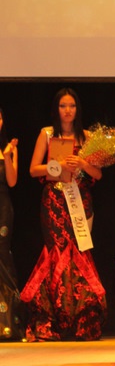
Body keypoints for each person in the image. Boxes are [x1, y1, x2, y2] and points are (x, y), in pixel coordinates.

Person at [20, 88, 107, 341]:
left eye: (72, 106)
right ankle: (50, 319)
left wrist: (82, 163)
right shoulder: (47, 134)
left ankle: (82, 319)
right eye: (62, 106)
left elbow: (98, 174)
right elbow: (33, 170)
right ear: (56, 109)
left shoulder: (87, 137)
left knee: (79, 252)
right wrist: (55, 165)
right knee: (56, 252)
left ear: (78, 109)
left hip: (80, 201)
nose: (67, 110)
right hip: (54, 202)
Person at [0, 108, 24, 341]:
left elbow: (12, 181)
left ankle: (9, 322)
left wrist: (8, 156)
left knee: (3, 255)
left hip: (3, 208)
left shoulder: (9, 148)